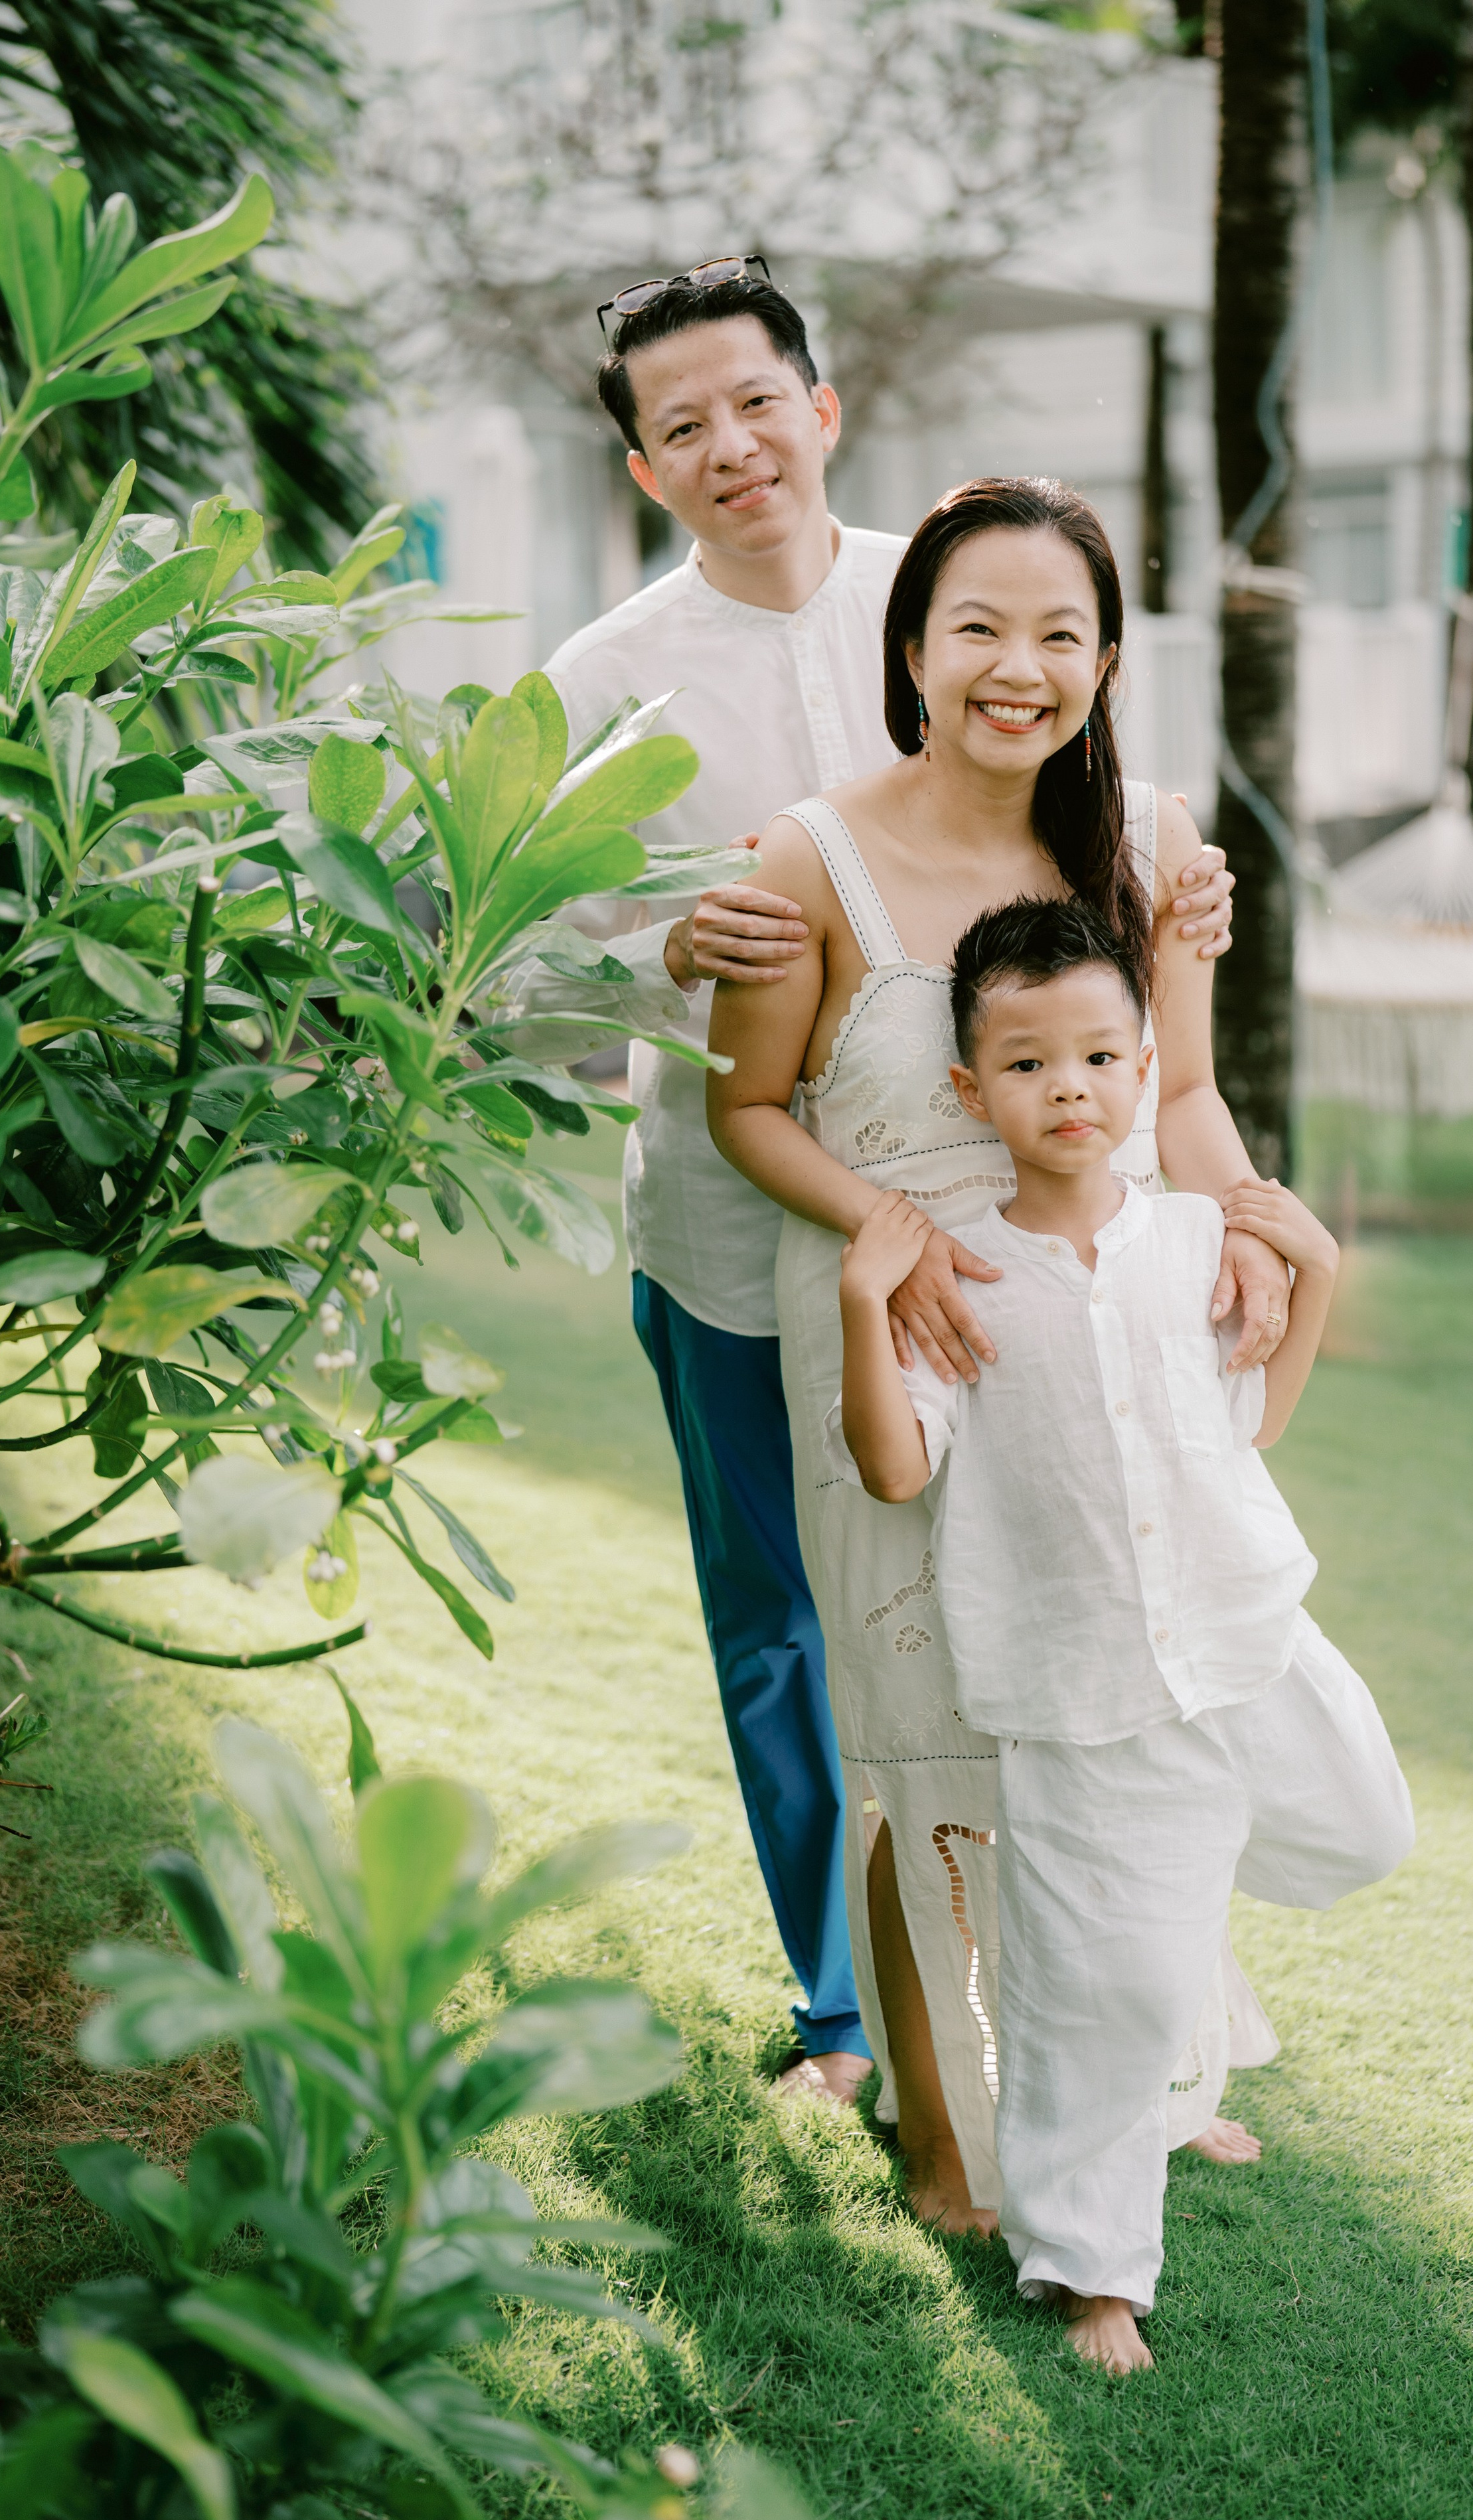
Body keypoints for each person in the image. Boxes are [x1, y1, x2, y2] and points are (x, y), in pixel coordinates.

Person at [506, 267, 1249, 2110]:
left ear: (821, 406)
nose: (730, 444)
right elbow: (499, 977)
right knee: (786, 1627)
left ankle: (1077, 2011)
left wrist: (1177, 895)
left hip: (991, 1230)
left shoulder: (940, 593)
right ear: (643, 465)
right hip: (731, 1228)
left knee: (1038, 1617)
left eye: (756, 401)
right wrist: (661, 955)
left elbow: (1061, 779)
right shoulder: (595, 688)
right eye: (683, 425)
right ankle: (846, 2012)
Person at [706, 475, 1291, 2233]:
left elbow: (1177, 1096)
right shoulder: (807, 856)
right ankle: (947, 2135)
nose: (1017, 666)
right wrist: (894, 1242)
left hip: (1104, 1356)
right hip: (908, 1343)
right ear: (911, 650)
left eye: (1060, 633)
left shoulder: (1151, 847)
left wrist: (1250, 1223)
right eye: (978, 627)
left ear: (1108, 662)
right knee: (921, 1745)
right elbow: (746, 1106)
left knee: (1133, 1720)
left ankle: (1149, 2077)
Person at [832, 895, 1415, 2372]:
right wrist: (857, 1298)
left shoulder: (1191, 1239)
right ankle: (1093, 2273)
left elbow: (1253, 1427)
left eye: (1098, 1056)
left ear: (1142, 1064)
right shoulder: (950, 1273)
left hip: (1240, 1631)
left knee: (1362, 1830)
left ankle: (1175, 1941)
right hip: (1073, 1683)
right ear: (973, 1093)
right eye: (1028, 1066)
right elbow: (900, 1465)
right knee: (1099, 1991)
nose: (1069, 1088)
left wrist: (1319, 1273)